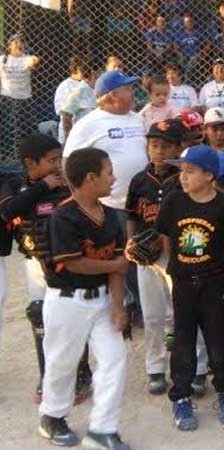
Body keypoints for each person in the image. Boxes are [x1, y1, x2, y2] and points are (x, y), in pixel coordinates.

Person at [38, 148, 131, 450]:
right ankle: (52, 416)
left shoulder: (113, 216)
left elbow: (117, 267)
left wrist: (118, 307)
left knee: (114, 359)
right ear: (90, 178)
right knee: (62, 362)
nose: (113, 176)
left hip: (103, 300)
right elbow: (75, 262)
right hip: (67, 301)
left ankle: (102, 430)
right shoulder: (63, 216)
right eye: (108, 172)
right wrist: (115, 266)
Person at [0, 134, 93, 405]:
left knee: (73, 316)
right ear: (30, 163)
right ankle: (47, 374)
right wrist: (42, 186)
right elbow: (8, 212)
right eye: (51, 161)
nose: (57, 166)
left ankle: (80, 371)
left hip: (66, 264)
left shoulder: (66, 188)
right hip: (35, 264)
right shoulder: (16, 187)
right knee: (40, 316)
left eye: (58, 159)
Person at [156, 146, 224, 431]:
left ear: (209, 174)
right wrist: (178, 266)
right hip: (183, 283)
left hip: (214, 282)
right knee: (183, 341)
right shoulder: (173, 202)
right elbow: (167, 237)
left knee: (219, 340)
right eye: (181, 171)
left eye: (190, 171)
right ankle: (181, 395)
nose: (183, 177)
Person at [125, 120, 205, 396]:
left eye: (165, 145)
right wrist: (132, 242)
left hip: (180, 255)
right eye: (153, 144)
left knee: (188, 313)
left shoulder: (183, 179)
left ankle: (198, 369)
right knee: (153, 314)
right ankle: (155, 368)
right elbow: (132, 216)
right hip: (148, 258)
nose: (158, 150)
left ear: (178, 147)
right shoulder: (139, 180)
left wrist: (165, 239)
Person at [64, 71, 148, 214]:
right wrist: (82, 201)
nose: (132, 92)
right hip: (109, 206)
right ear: (113, 95)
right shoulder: (88, 123)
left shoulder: (138, 119)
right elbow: (68, 162)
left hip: (142, 203)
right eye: (127, 88)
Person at [0, 34, 40, 164]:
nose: (19, 44)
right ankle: (7, 155)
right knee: (8, 128)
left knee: (26, 127)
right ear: (9, 45)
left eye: (21, 42)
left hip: (24, 98)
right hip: (8, 97)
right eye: (15, 42)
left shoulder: (27, 59)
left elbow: (34, 62)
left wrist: (34, 61)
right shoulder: (3, 60)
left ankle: (28, 155)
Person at [54, 57, 88, 144]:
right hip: (72, 130)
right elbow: (64, 112)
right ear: (77, 69)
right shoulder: (65, 86)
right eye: (85, 69)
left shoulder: (90, 84)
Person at [60, 66, 98, 143]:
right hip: (83, 138)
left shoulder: (102, 89)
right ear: (93, 72)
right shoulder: (80, 90)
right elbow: (66, 114)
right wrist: (69, 139)